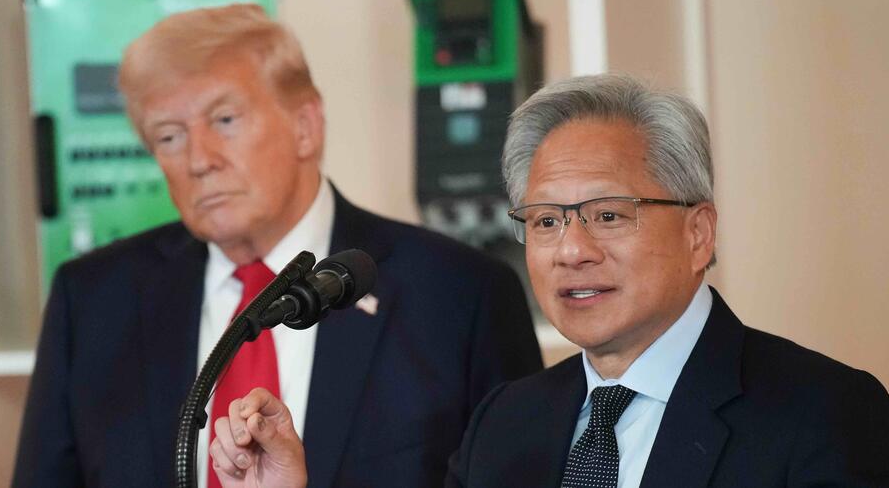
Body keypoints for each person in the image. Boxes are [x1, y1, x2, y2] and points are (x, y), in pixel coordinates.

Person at [208, 74, 889, 487]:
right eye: (543, 221)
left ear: (697, 233)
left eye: (607, 215)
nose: (570, 250)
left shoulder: (823, 414)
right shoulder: (506, 422)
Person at [12, 4, 542, 488]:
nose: (199, 159)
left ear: (305, 126)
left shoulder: (462, 295)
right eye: (169, 136)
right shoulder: (92, 303)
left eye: (224, 120)